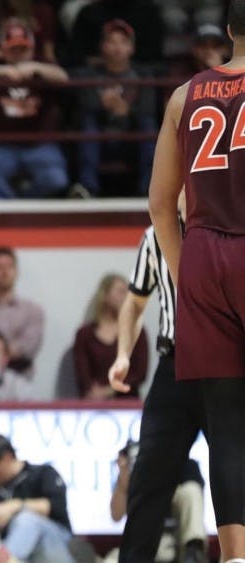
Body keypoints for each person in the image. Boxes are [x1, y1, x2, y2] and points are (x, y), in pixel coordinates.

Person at [148, 2, 245, 558]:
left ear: (229, 31)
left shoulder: (184, 96)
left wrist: (188, 277)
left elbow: (161, 206)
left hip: (204, 255)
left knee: (226, 424)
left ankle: (234, 554)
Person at [108, 193, 209, 563]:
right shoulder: (154, 237)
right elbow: (134, 303)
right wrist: (123, 353)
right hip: (174, 365)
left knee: (235, 471)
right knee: (148, 475)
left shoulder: (227, 230)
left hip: (223, 366)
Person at [0, 18, 70, 199]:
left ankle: (27, 205)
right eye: (13, 48)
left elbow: (62, 77)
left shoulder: (42, 65)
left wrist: (35, 67)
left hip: (39, 143)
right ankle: (10, 208)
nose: (18, 53)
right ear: (3, 49)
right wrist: (0, 71)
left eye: (23, 48)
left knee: (56, 179)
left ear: (32, 47)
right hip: (1, 144)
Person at [0, 434, 74, 563]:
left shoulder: (42, 473)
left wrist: (15, 506)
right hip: (19, 553)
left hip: (57, 545)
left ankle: (5, 559)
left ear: (7, 458)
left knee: (26, 519)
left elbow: (56, 505)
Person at [73, 19, 157, 197]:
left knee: (148, 125)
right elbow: (86, 105)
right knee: (88, 123)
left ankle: (149, 188)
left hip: (131, 138)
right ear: (102, 47)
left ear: (131, 48)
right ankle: (88, 187)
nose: (117, 47)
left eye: (123, 42)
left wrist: (127, 110)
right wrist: (104, 106)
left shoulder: (143, 75)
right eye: (111, 42)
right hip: (102, 137)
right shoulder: (90, 74)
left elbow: (148, 110)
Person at [107, 443, 207, 563]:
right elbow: (116, 516)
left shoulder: (186, 465)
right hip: (141, 545)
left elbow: (193, 498)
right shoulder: (131, 478)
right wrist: (123, 482)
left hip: (177, 544)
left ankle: (194, 549)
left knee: (191, 490)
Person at [74, 273, 148, 400]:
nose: (126, 297)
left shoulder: (136, 331)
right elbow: (82, 373)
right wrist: (94, 392)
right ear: (105, 296)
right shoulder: (84, 334)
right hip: (93, 402)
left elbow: (139, 373)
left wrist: (110, 390)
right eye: (121, 291)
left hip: (127, 402)